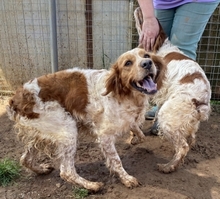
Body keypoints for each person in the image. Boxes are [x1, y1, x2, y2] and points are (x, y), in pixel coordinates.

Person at [137, 0, 219, 134]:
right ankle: (164, 106)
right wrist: (149, 17)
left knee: (181, 49)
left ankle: (182, 113)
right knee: (156, 46)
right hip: (163, 1)